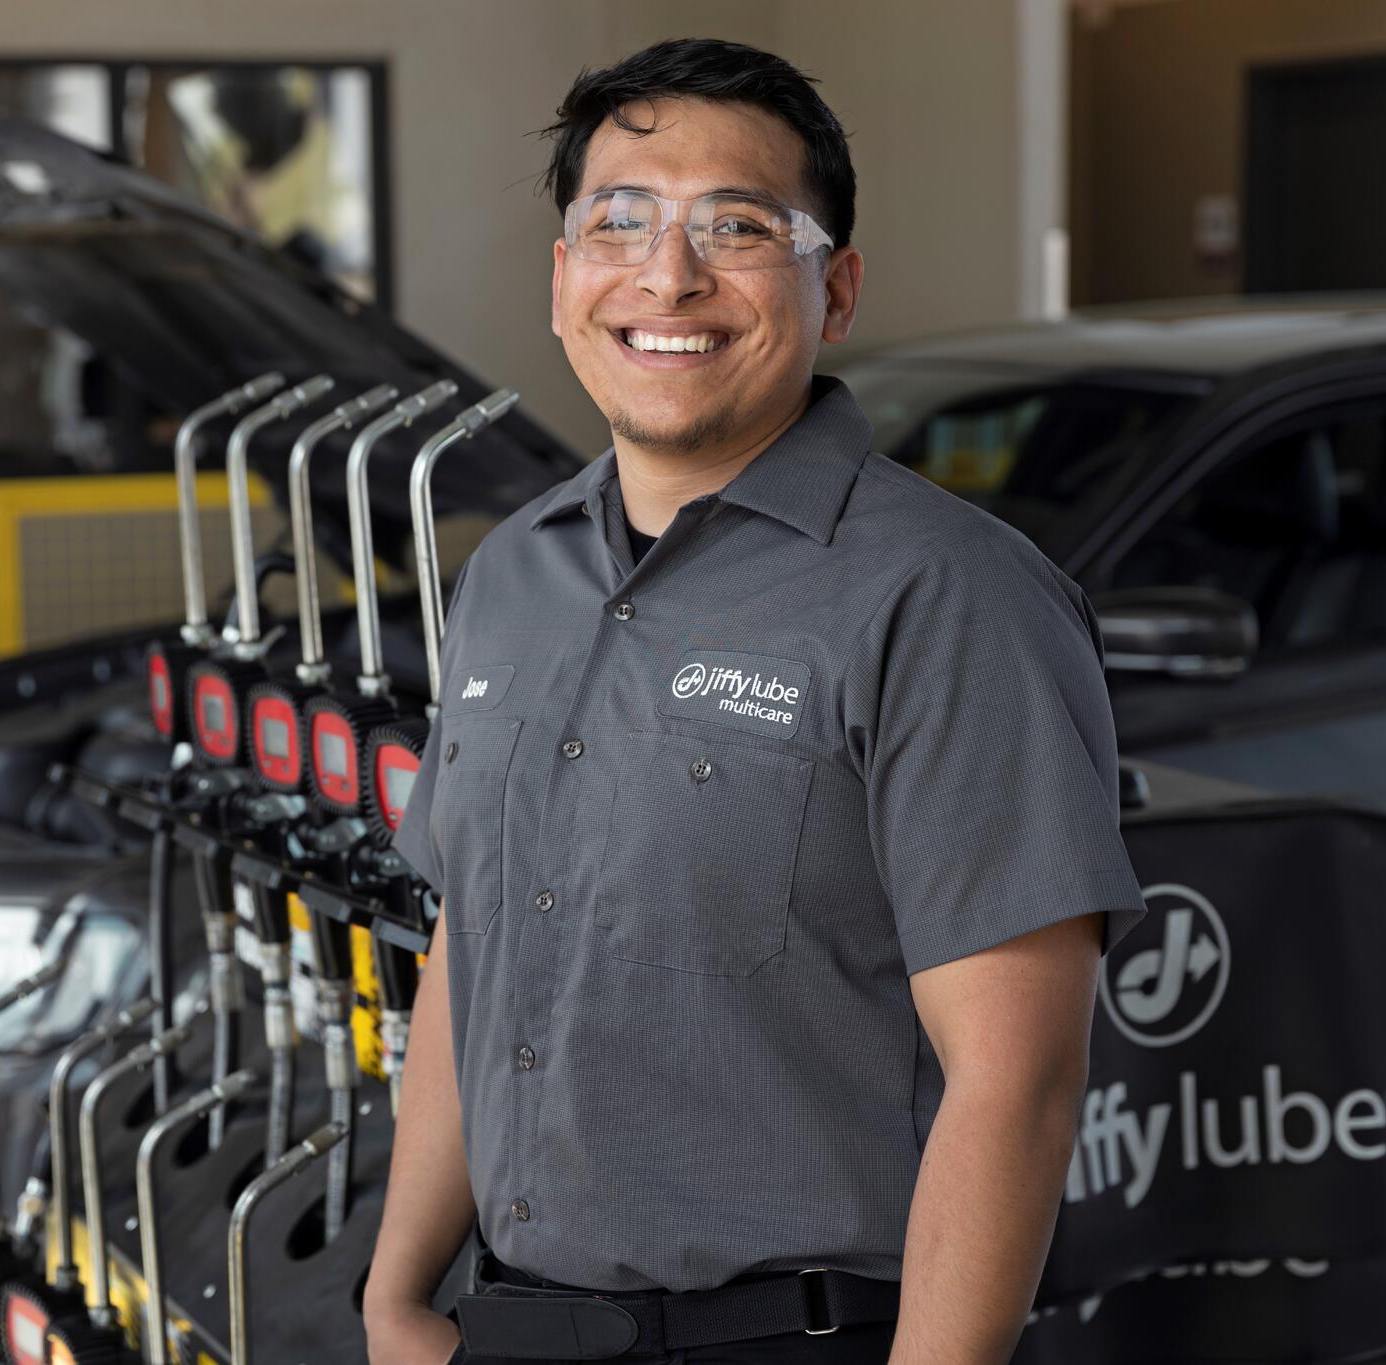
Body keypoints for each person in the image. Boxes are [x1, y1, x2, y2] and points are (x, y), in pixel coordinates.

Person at [363, 36, 1148, 1365]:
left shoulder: (948, 596)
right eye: (619, 222)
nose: (666, 275)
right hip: (513, 1323)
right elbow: (470, 950)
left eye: (737, 228)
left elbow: (1017, 1081)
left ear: (834, 288)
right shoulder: (510, 576)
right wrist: (395, 1297)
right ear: (563, 280)